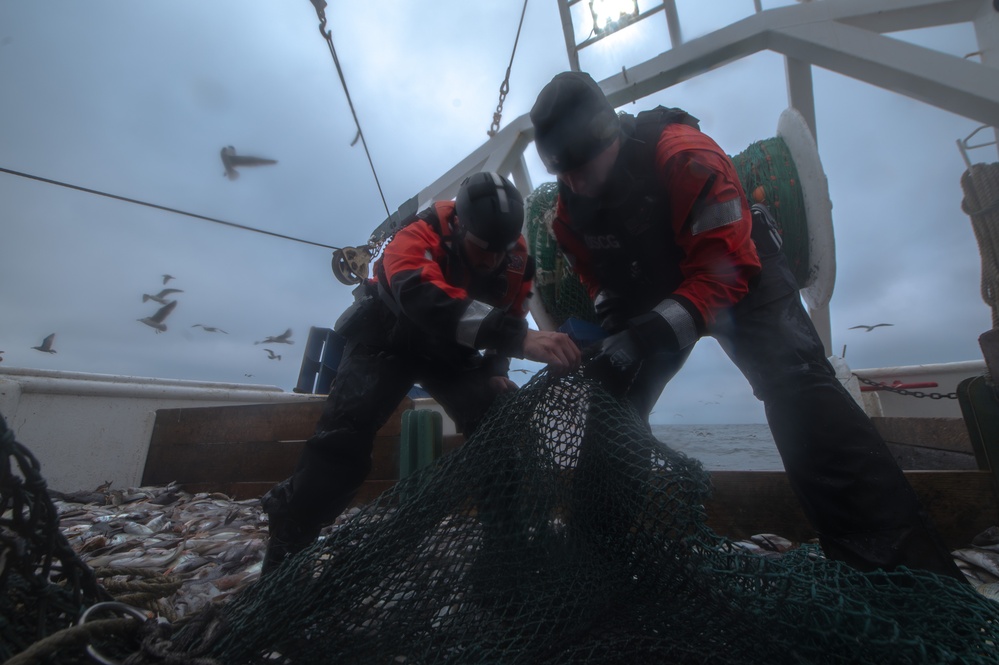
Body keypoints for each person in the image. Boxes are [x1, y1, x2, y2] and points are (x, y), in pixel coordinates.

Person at [528, 71, 966, 582]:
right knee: (613, 408)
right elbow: (588, 264)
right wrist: (611, 318)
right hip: (649, 280)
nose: (576, 182)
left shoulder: (686, 157)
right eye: (564, 173)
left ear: (611, 139)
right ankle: (597, 557)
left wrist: (649, 333)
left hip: (736, 265)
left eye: (583, 166)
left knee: (797, 385)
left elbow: (722, 271)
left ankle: (897, 570)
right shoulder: (568, 209)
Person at [261, 171, 581, 574]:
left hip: (450, 349)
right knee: (343, 437)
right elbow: (421, 298)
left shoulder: (514, 255)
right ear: (460, 224)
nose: (494, 260)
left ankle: (505, 551)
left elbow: (512, 306)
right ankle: (288, 546)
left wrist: (497, 367)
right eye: (484, 248)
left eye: (502, 250)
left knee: (502, 426)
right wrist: (521, 339)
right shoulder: (417, 235)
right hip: (388, 336)